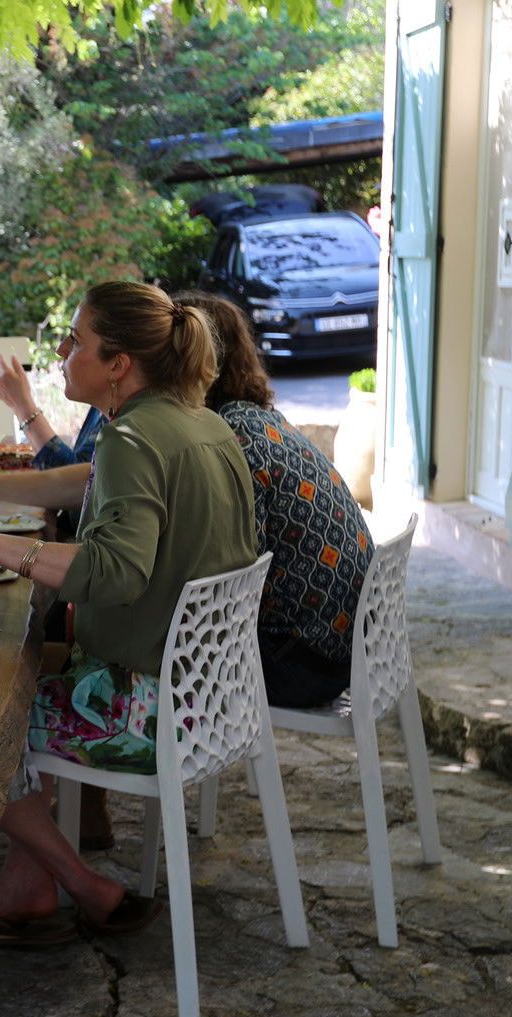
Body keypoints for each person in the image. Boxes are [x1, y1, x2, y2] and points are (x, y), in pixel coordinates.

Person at [0, 281, 257, 943]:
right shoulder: (196, 422)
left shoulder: (134, 439)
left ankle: (81, 884)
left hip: (147, 713)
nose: (63, 353)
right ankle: (29, 885)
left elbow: (116, 571)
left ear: (118, 363)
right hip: (213, 698)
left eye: (78, 341)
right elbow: (94, 478)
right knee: (15, 677)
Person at [175, 290, 374, 709]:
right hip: (341, 652)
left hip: (303, 667)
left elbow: (231, 578)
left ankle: (154, 765)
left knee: (154, 654)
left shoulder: (228, 439)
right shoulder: (259, 420)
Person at [0, 353, 106, 469]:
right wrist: (18, 403)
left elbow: (76, 481)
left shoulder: (119, 420)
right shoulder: (104, 407)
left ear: (117, 365)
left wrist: (23, 405)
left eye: (77, 341)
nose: (61, 349)